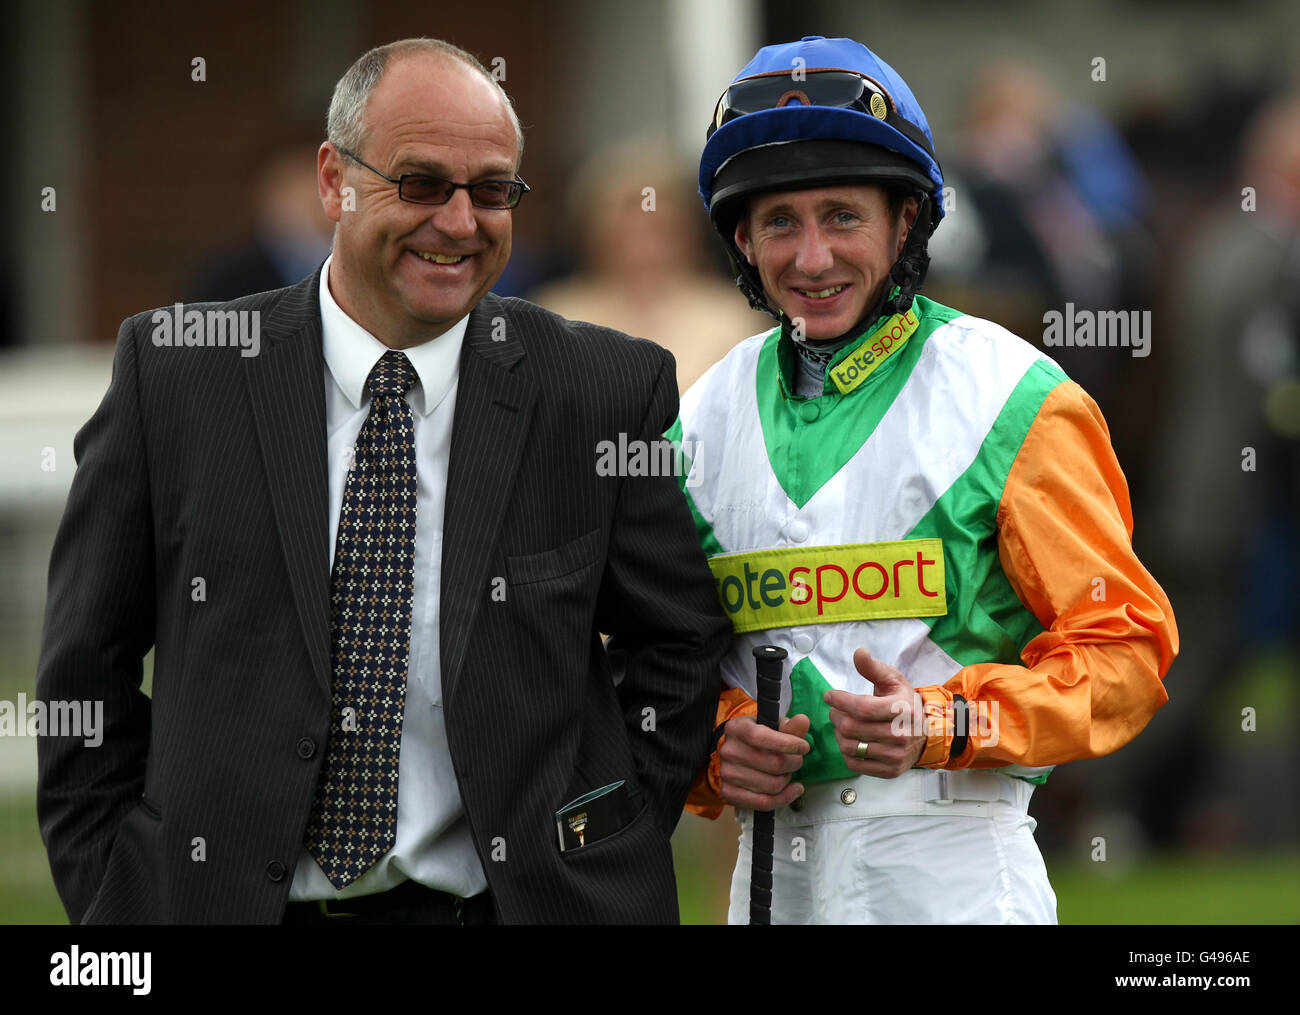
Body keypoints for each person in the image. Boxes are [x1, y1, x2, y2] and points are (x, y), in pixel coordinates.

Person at [35, 37, 731, 925]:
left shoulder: (599, 390)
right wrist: (111, 889)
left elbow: (678, 643)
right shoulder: (175, 373)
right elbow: (79, 676)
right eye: (421, 183)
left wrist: (607, 831)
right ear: (333, 180)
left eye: (490, 192)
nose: (459, 221)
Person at [673, 36, 1178, 923]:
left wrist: (953, 720)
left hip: (954, 871)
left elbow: (1126, 652)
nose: (812, 257)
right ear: (741, 237)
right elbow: (650, 660)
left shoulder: (1014, 397)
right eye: (780, 222)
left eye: (843, 215)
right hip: (767, 879)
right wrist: (713, 747)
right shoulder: (700, 416)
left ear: (905, 221)